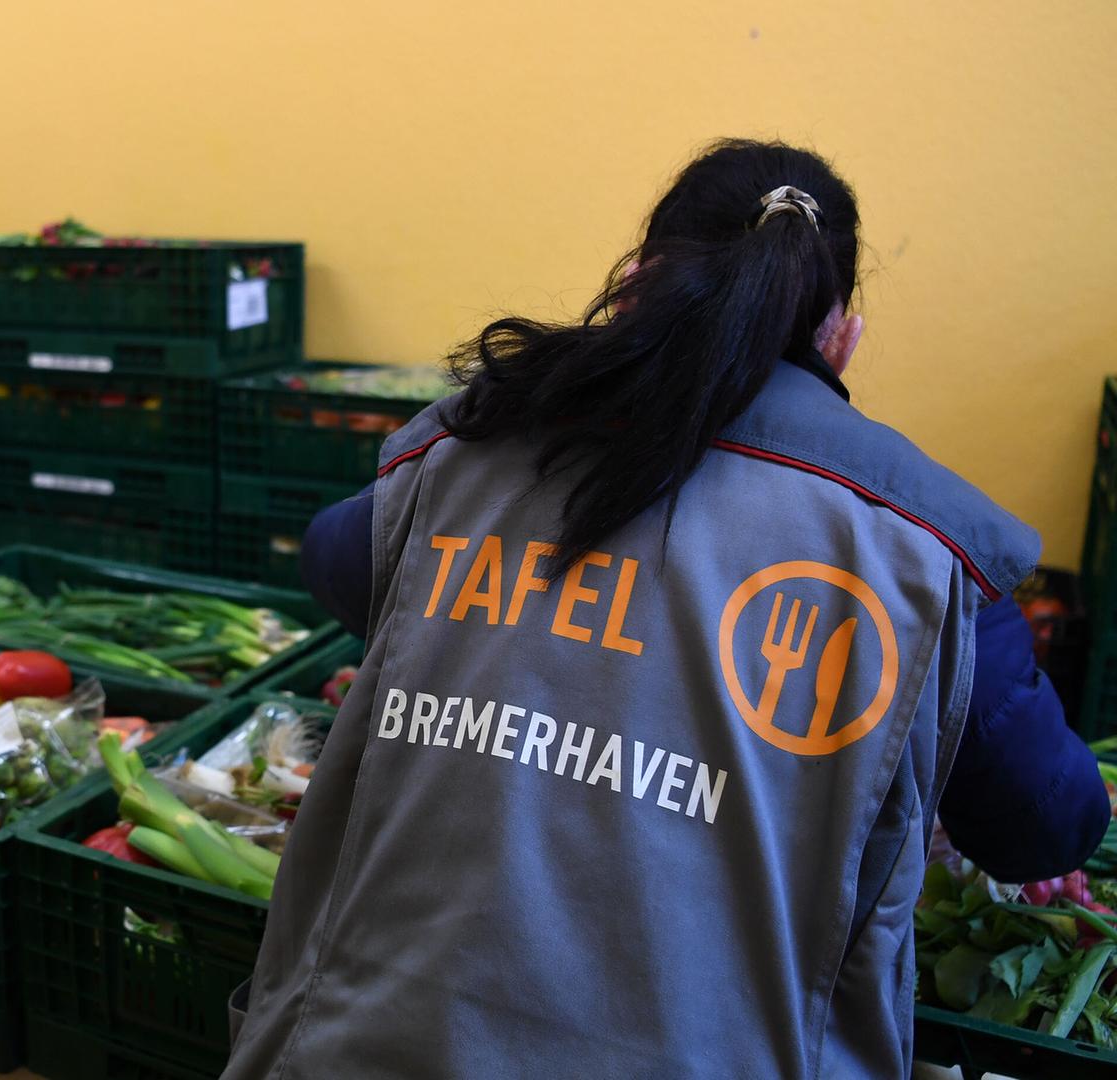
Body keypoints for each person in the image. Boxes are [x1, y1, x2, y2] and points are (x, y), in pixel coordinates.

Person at [228, 140, 1109, 1079]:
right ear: (841, 337)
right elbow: (1048, 825)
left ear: (636, 286)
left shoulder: (473, 448)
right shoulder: (922, 551)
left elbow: (335, 558)